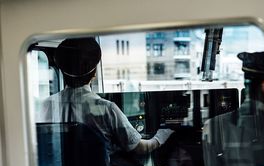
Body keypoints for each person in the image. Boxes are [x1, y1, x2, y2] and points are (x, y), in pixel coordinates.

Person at [38, 37, 173, 156]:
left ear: (61, 71)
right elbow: (140, 148)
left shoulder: (45, 106)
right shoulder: (107, 109)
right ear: (94, 73)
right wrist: (161, 136)